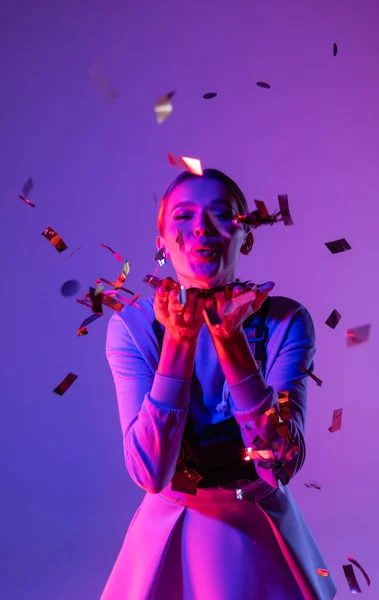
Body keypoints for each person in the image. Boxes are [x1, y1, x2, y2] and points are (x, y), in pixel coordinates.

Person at [101, 168, 337, 600]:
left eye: (221, 215)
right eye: (183, 217)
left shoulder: (286, 321)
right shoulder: (131, 327)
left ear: (246, 235)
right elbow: (150, 472)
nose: (201, 230)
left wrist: (231, 341)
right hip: (169, 534)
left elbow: (279, 465)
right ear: (161, 240)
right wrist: (179, 339)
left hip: (260, 533)